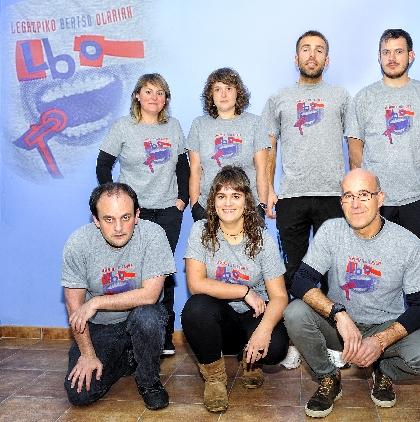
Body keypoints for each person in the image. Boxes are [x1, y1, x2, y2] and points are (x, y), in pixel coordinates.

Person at [283, 169, 420, 418]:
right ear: (341, 202)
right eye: (348, 196)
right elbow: (300, 281)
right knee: (294, 312)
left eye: (363, 195)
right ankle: (328, 377)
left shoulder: (407, 243)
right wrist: (338, 314)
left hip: (386, 327)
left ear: (380, 198)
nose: (355, 204)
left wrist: (381, 341)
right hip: (340, 328)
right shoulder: (331, 231)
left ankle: (385, 369)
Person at [345, 29, 420, 354]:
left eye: (399, 51)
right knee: (374, 274)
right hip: (376, 204)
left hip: (418, 199)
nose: (392, 58)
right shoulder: (364, 98)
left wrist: (412, 171)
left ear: (411, 56)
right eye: (386, 52)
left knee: (419, 277)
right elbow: (355, 149)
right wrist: (371, 191)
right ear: (378, 57)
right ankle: (373, 344)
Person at [261, 29, 351, 369]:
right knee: (294, 272)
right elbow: (269, 146)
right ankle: (297, 339)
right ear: (296, 57)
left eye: (318, 50)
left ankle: (333, 342)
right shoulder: (279, 98)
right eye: (305, 49)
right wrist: (269, 190)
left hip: (332, 196)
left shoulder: (341, 96)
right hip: (292, 196)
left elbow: (354, 143)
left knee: (332, 274)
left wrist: (352, 190)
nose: (311, 55)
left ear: (326, 60)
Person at [181, 166, 288, 412]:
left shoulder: (262, 239)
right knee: (196, 308)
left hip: (255, 315)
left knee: (275, 348)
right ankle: (215, 379)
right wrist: (244, 291)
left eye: (236, 196)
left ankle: (251, 363)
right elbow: (196, 284)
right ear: (213, 201)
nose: (228, 203)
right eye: (222, 196)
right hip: (221, 319)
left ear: (246, 202)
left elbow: (280, 297)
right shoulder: (200, 231)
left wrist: (263, 331)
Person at [96, 73, 189, 355]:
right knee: (134, 273)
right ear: (137, 95)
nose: (154, 97)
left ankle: (164, 336)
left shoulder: (173, 126)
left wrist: (183, 199)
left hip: (168, 211)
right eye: (148, 91)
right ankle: (132, 336)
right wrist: (114, 201)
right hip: (134, 214)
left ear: (166, 99)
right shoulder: (123, 126)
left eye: (160, 93)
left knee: (162, 272)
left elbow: (182, 166)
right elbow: (103, 164)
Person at [61, 183, 176, 410]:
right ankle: (127, 359)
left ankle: (148, 381)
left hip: (141, 318)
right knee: (80, 394)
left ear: (137, 215)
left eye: (126, 217)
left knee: (149, 317)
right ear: (96, 220)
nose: (119, 227)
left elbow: (150, 295)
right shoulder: (78, 244)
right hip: (101, 326)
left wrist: (97, 301)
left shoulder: (153, 235)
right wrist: (88, 354)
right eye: (109, 219)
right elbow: (76, 308)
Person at [186, 67, 270, 222]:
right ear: (211, 95)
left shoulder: (255, 123)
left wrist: (262, 205)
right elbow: (195, 169)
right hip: (207, 209)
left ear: (238, 92)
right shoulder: (199, 124)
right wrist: (195, 206)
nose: (223, 94)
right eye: (217, 89)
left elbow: (261, 169)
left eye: (229, 88)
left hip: (247, 208)